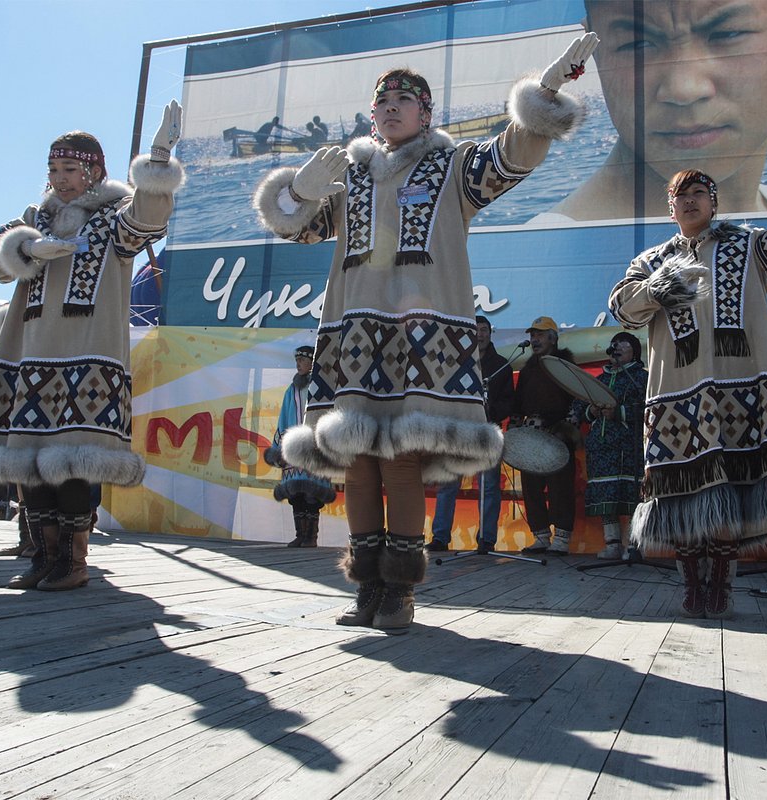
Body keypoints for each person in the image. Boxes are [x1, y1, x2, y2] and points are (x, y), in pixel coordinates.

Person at [251, 34, 598, 631]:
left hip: (423, 336)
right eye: (382, 98)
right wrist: (300, 192)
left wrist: (545, 92)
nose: (390, 105)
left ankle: (400, 594)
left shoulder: (454, 166)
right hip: (353, 334)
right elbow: (297, 230)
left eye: (404, 98)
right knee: (358, 463)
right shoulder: (349, 177)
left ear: (427, 113)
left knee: (403, 461)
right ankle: (366, 588)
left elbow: (514, 155)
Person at [0, 102, 187, 591]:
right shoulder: (34, 219)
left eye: (71, 168)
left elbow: (149, 218)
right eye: (54, 169)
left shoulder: (111, 219)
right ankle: (43, 556)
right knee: (30, 460)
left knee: (76, 457)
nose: (60, 177)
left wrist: (159, 156)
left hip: (87, 354)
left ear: (94, 171)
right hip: (30, 351)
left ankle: (74, 562)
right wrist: (27, 247)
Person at [609, 129, 767, 619]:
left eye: (700, 193)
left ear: (714, 203)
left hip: (743, 388)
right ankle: (691, 585)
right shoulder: (651, 260)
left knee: (734, 495)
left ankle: (722, 585)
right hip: (678, 395)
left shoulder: (749, 247)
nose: (690, 201)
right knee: (682, 498)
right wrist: (659, 287)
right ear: (669, 207)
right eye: (681, 195)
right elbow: (624, 310)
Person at [545, 0, 767, 222]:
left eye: (728, 34)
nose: (684, 89)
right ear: (593, 49)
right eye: (638, 43)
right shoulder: (551, 242)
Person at [428, 316, 515, 554]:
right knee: (447, 485)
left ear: (490, 333)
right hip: (458, 431)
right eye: (475, 330)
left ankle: (486, 539)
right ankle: (440, 537)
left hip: (487, 431)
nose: (480, 334)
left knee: (488, 488)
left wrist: (492, 410)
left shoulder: (501, 365)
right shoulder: (456, 362)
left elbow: (509, 402)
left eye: (484, 330)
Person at [574, 331, 648, 560]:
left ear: (634, 350)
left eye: (622, 344)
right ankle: (612, 544)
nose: (616, 348)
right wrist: (591, 411)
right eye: (613, 344)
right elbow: (579, 407)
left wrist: (620, 412)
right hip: (601, 447)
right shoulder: (600, 380)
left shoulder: (642, 378)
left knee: (633, 495)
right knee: (606, 497)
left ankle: (635, 545)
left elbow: (650, 408)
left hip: (629, 446)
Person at [512, 316, 581, 555]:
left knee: (560, 487)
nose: (534, 339)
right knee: (531, 485)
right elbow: (518, 403)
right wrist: (514, 428)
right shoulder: (528, 369)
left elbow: (577, 400)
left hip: (558, 433)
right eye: (532, 335)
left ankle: (562, 537)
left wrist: (567, 427)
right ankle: (540, 536)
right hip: (532, 434)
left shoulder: (566, 365)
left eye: (539, 335)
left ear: (553, 338)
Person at [264, 345, 336, 547]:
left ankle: (311, 537)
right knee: (295, 493)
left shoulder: (322, 388)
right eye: (297, 360)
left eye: (302, 360)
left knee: (312, 493)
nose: (298, 364)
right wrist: (279, 447)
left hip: (315, 449)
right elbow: (283, 418)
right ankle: (301, 535)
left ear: (313, 362)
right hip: (294, 449)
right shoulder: (292, 390)